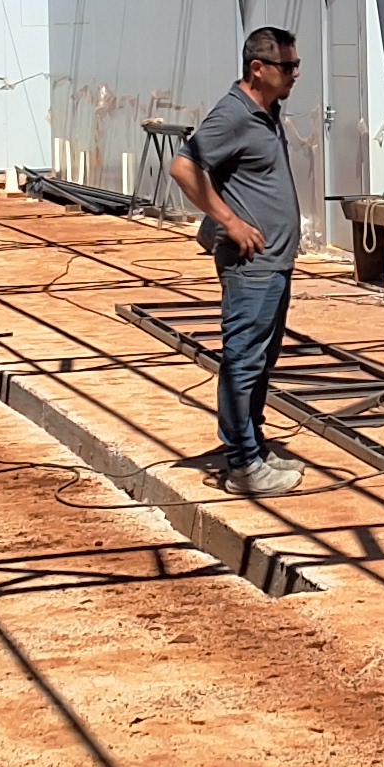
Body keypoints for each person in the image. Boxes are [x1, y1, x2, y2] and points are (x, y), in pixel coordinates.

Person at [168, 28, 306, 499]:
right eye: (287, 66)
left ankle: (254, 444)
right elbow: (185, 167)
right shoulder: (233, 115)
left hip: (273, 263)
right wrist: (229, 221)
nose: (295, 74)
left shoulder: (265, 113)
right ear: (258, 69)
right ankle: (242, 462)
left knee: (261, 360)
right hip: (252, 266)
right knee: (243, 361)